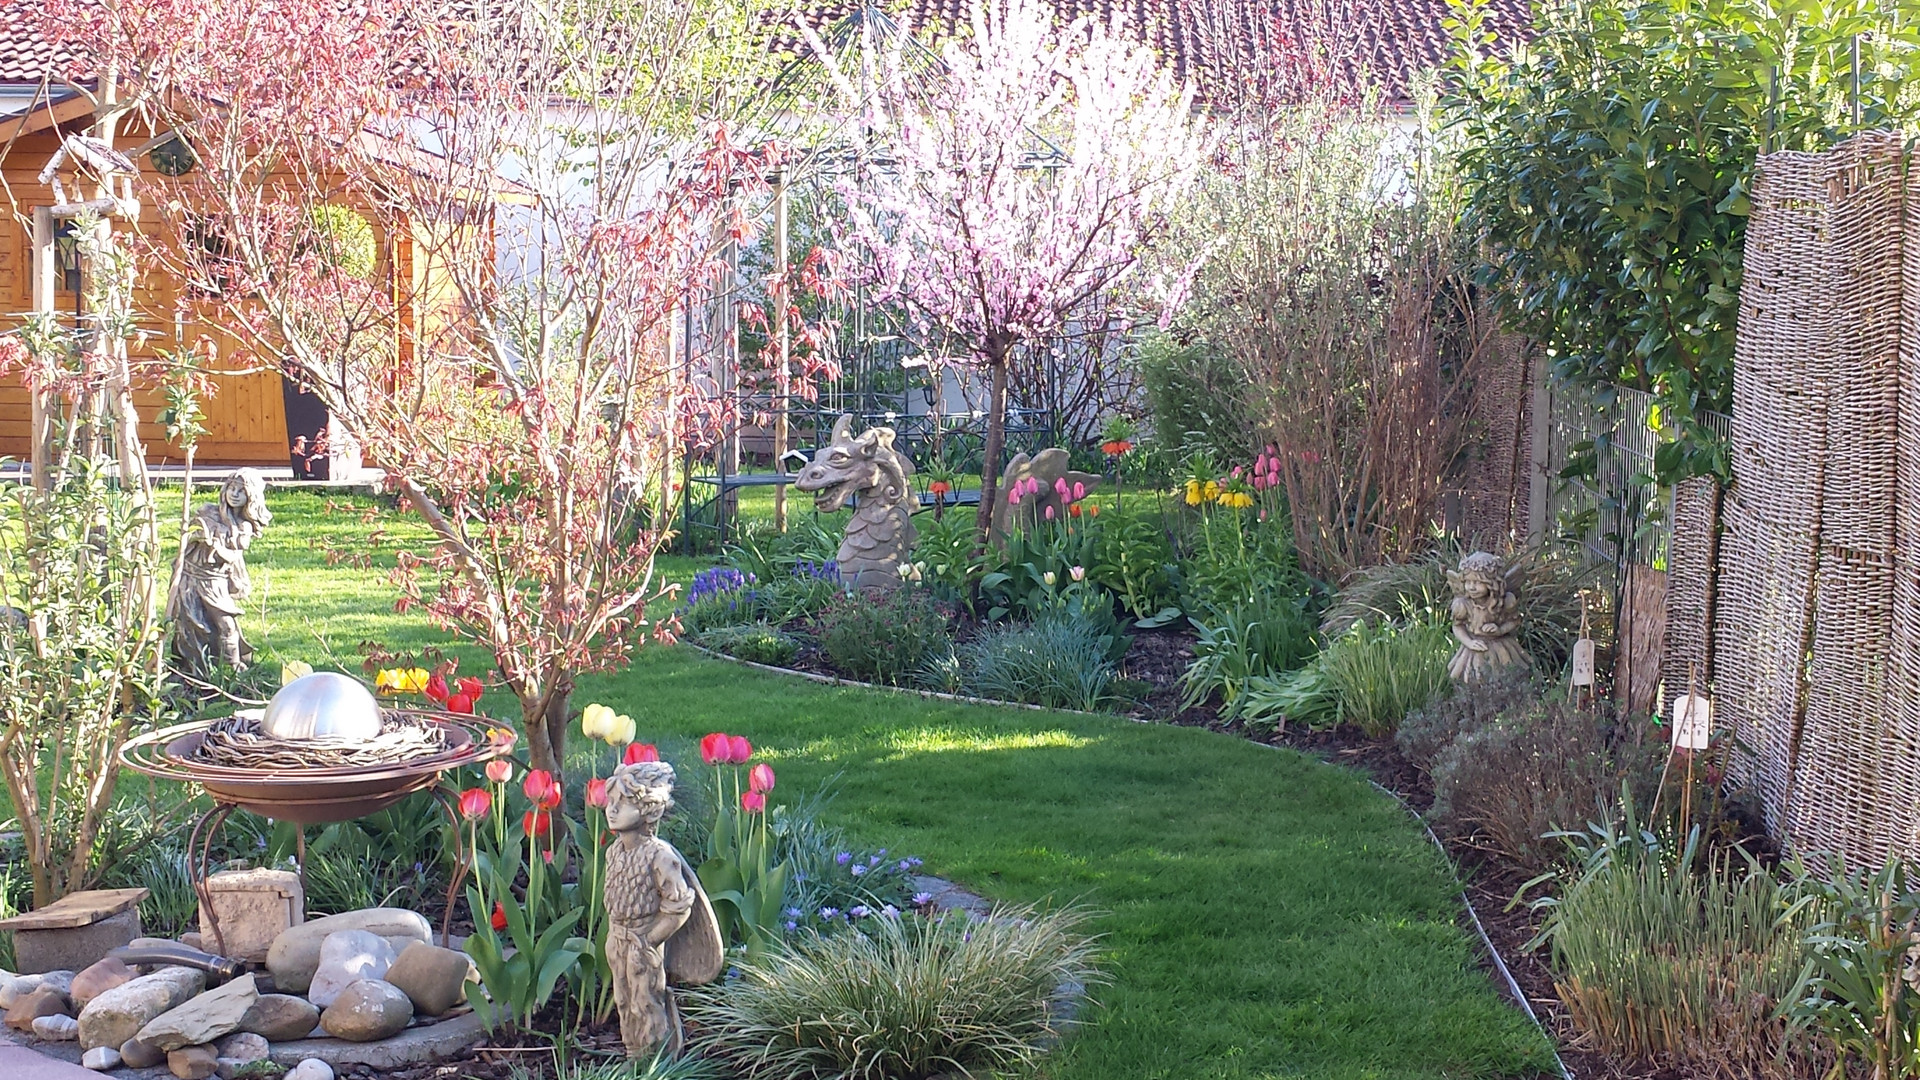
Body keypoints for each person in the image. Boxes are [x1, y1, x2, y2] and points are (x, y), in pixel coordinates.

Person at [601, 761, 721, 1056]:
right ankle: (633, 1054)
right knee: (624, 999)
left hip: (643, 939)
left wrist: (650, 941)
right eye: (611, 802)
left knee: (646, 1000)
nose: (612, 810)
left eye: (623, 804)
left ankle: (659, 1058)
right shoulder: (614, 852)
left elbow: (679, 906)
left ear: (650, 811)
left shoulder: (659, 856)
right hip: (617, 939)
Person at [167, 469, 272, 670]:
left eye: (241, 491)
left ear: (251, 498)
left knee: (226, 624)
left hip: (215, 580)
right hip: (190, 575)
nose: (234, 494)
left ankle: (231, 666)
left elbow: (232, 557)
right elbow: (187, 538)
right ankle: (191, 667)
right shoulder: (207, 511)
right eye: (232, 488)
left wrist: (213, 545)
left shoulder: (243, 527)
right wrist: (197, 536)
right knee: (190, 621)